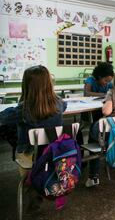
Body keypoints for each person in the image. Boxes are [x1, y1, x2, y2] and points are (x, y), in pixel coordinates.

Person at [0, 65, 67, 212]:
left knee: (9, 129)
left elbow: (3, 117)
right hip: (54, 154)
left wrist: (21, 102)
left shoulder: (24, 109)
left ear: (26, 85)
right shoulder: (59, 103)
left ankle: (33, 193)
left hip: (30, 157)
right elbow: (65, 105)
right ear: (49, 83)